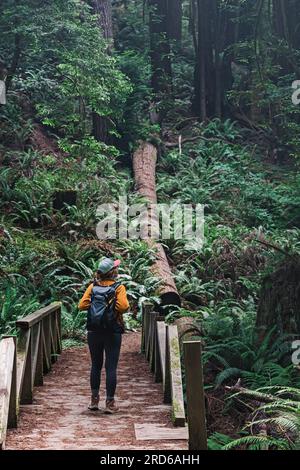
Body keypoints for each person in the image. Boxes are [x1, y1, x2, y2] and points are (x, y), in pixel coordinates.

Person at [78, 257, 129, 413]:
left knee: (96, 365)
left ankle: (94, 401)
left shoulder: (92, 287)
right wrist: (111, 307)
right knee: (111, 367)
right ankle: (109, 403)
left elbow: (82, 305)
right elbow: (124, 306)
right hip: (112, 331)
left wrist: (96, 306)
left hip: (94, 331)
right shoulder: (118, 288)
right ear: (113, 272)